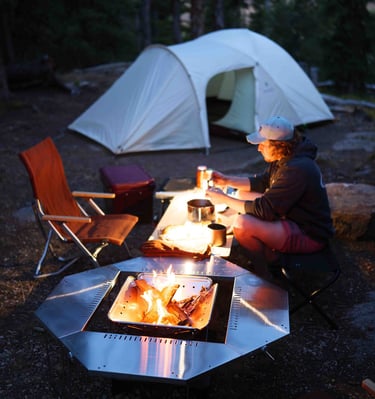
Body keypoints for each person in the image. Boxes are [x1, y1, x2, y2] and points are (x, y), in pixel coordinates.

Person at [206, 115, 334, 278]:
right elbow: (263, 182)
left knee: (242, 224)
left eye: (263, 144)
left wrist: (224, 199)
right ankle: (267, 256)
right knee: (242, 193)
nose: (259, 148)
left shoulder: (296, 169)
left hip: (309, 234)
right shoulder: (288, 156)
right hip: (294, 218)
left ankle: (265, 272)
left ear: (279, 145)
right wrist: (227, 180)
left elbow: (265, 209)